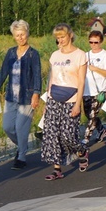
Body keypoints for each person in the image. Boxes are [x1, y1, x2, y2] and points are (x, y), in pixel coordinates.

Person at [41, 23, 88, 180]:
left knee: (68, 136)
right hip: (54, 97)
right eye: (57, 37)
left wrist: (77, 104)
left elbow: (81, 82)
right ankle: (57, 169)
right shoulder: (55, 55)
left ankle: (82, 151)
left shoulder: (80, 55)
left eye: (62, 37)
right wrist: (47, 102)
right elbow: (51, 79)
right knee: (52, 134)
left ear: (70, 36)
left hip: (71, 98)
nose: (59, 40)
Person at [0, 20, 42, 170]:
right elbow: (3, 71)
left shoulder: (33, 54)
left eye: (22, 34)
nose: (20, 38)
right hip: (11, 97)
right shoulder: (11, 52)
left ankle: (21, 156)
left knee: (21, 127)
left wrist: (36, 94)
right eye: (17, 35)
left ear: (27, 33)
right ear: (14, 36)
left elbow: (37, 75)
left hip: (26, 97)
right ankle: (22, 145)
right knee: (7, 127)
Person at [82, 30, 106, 144]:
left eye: (96, 42)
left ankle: (86, 139)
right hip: (86, 90)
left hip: (99, 91)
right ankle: (101, 129)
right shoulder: (86, 55)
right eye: (91, 42)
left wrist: (96, 69)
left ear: (101, 42)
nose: (93, 45)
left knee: (92, 115)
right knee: (88, 114)